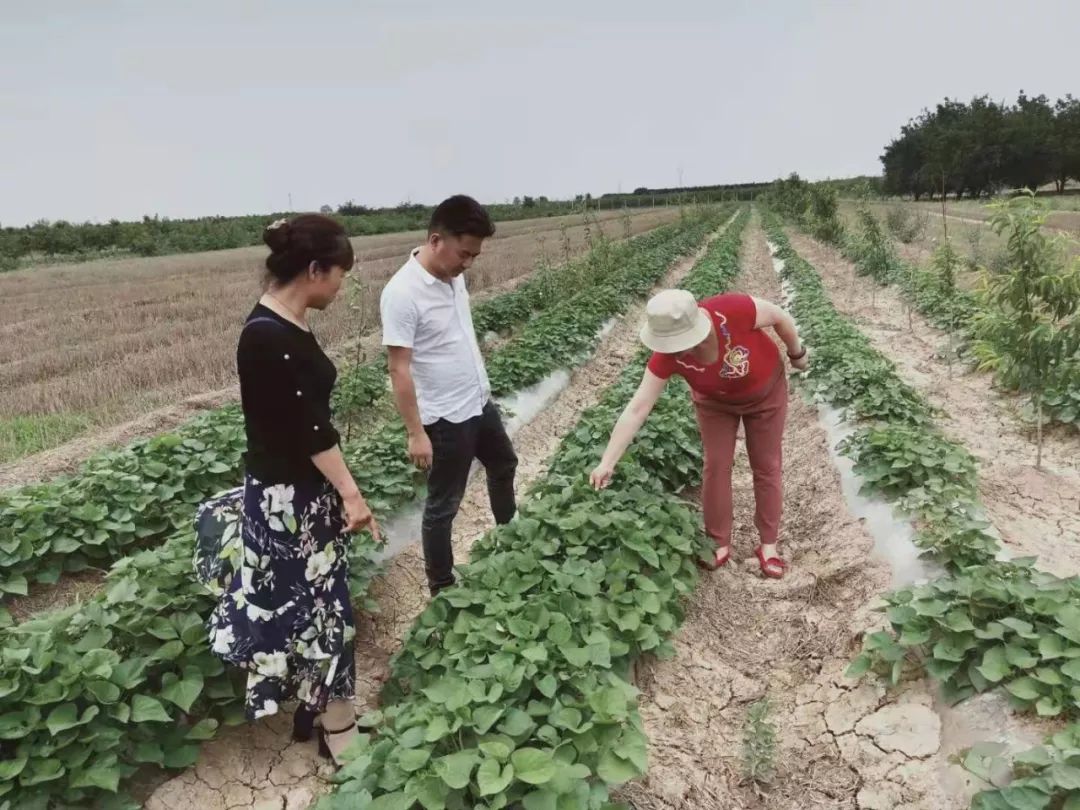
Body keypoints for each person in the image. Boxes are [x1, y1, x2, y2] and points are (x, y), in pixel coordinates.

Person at [200, 213, 381, 765]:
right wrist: (351, 494)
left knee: (315, 607)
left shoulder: (284, 324)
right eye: (340, 275)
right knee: (324, 611)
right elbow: (310, 430)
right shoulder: (267, 336)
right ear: (314, 268)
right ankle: (339, 733)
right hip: (290, 505)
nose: (343, 286)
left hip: (296, 496)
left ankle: (319, 711)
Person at [589, 288, 808, 578]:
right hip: (714, 404)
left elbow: (779, 317)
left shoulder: (734, 310)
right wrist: (607, 461)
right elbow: (638, 408)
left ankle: (768, 546)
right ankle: (718, 542)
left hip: (766, 394)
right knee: (716, 465)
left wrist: (796, 354)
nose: (676, 351)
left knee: (766, 466)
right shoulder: (666, 356)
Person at [380, 195, 518, 595]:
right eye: (464, 253)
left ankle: (511, 540)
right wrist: (415, 432)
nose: (468, 263)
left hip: (477, 400)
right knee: (444, 506)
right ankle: (442, 588)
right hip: (444, 417)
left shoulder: (454, 277)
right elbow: (398, 368)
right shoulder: (402, 293)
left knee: (504, 463)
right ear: (436, 239)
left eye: (474, 255)